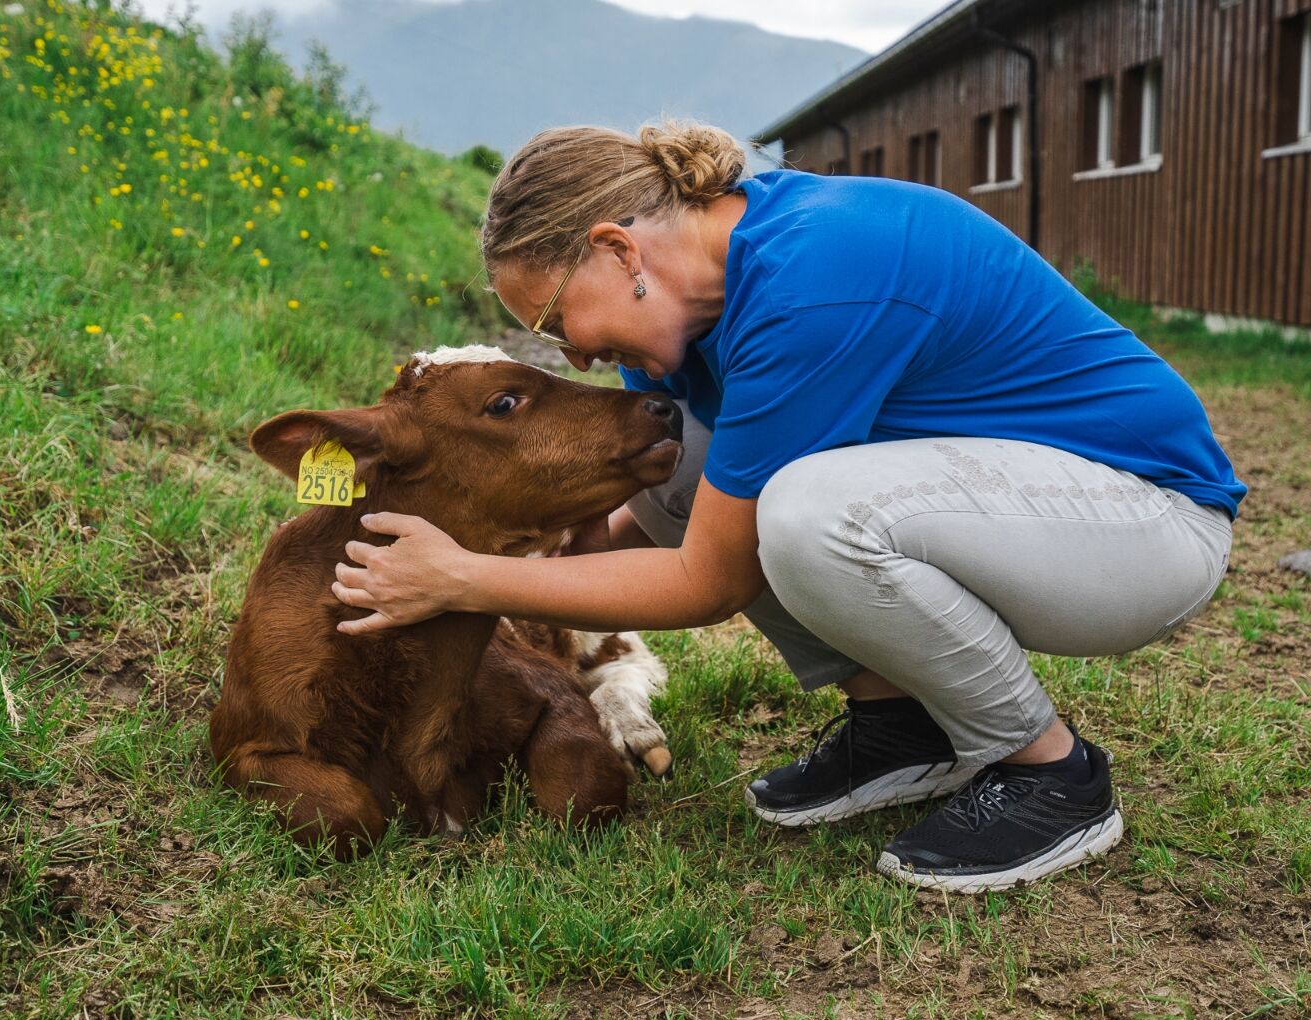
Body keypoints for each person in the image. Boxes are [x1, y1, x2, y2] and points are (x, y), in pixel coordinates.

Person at [327, 121, 1243, 893]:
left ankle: (1051, 774)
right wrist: (508, 559)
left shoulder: (817, 272)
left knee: (807, 510)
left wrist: (463, 580)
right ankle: (900, 725)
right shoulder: (675, 336)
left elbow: (708, 580)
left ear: (618, 250)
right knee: (677, 459)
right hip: (1007, 510)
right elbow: (674, 508)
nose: (571, 353)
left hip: (1141, 524)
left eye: (557, 318)